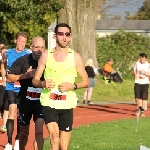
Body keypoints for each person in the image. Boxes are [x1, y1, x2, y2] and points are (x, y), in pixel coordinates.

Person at [32, 23, 89, 150]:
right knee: (54, 138)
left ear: (70, 37)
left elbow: (86, 82)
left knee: (64, 146)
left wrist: (72, 86)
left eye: (67, 34)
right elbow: (35, 80)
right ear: (55, 36)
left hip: (67, 104)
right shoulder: (46, 55)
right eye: (61, 34)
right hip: (49, 102)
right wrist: (42, 83)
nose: (64, 37)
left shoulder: (75, 57)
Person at [7, 37, 45, 150]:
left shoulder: (48, 61)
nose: (39, 50)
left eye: (42, 47)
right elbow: (9, 77)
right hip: (25, 102)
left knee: (39, 131)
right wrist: (24, 76)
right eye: (37, 47)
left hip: (41, 102)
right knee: (23, 133)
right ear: (31, 47)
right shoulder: (23, 60)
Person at [3, 32, 30, 150]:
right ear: (15, 41)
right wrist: (4, 78)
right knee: (12, 111)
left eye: (24, 42)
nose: (22, 44)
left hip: (22, 88)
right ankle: (9, 143)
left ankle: (18, 140)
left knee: (20, 115)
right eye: (20, 41)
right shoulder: (7, 53)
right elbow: (3, 67)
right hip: (10, 86)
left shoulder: (28, 54)